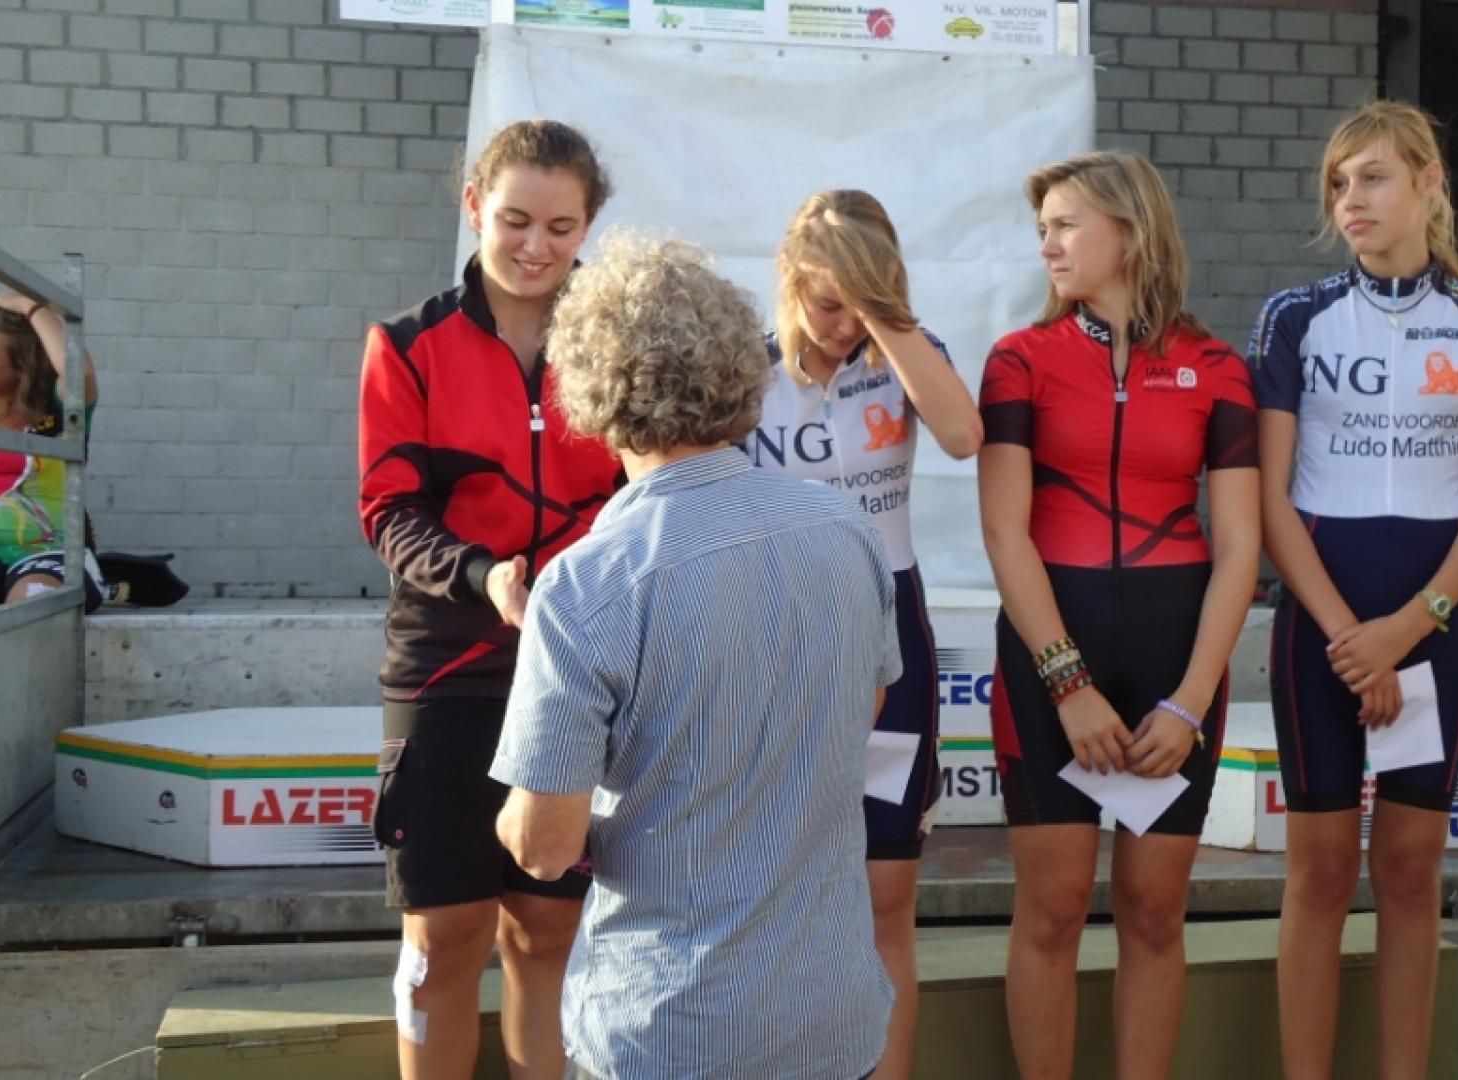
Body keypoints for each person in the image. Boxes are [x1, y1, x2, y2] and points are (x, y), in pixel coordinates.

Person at [491, 234, 897, 1080]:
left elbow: (543, 847)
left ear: (591, 391)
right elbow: (860, 714)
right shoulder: (848, 532)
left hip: (670, 1025)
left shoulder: (586, 585)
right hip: (831, 1015)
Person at [1246, 100, 1458, 1080]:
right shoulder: (1294, 316)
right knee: (1320, 873)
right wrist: (1351, 639)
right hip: (1321, 626)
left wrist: (1407, 630)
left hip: (1435, 625)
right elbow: (1272, 504)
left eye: (1371, 176)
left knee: (1409, 872)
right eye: (1338, 183)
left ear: (1428, 181)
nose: (1351, 199)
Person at [978, 150, 1261, 1078]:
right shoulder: (1019, 359)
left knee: (1153, 912)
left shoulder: (1217, 368)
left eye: (1066, 225)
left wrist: (1190, 702)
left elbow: (1241, 549)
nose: (1048, 245)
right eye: (1043, 229)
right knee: (1052, 909)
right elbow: (1005, 531)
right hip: (1048, 659)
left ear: (1131, 232)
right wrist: (1068, 683)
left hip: (1176, 658)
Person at [356, 119, 625, 1080]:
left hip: (584, 665)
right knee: (442, 944)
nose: (535, 247)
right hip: (451, 661)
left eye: (561, 227)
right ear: (474, 207)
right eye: (515, 219)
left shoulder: (616, 345)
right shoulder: (406, 344)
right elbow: (388, 509)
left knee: (550, 935)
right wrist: (484, 575)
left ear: (588, 226)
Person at [747, 188, 983, 1080]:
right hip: (776, 638)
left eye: (866, 303)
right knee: (772, 900)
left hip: (892, 636)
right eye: (828, 303)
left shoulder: (903, 355)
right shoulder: (744, 369)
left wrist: (889, 320)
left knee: (887, 899)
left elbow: (963, 434)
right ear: (789, 278)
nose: (845, 326)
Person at [0, 290, 108, 611]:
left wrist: (29, 306)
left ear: (21, 367)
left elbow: (79, 375)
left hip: (47, 553)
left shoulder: (56, 410)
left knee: (34, 599)